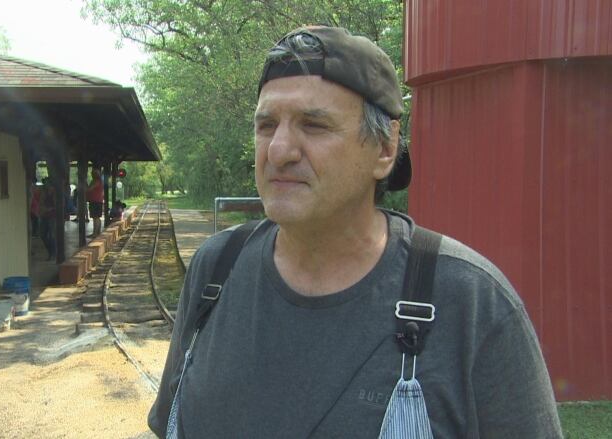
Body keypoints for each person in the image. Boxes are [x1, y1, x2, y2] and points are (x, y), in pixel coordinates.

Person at [149, 26, 562, 438]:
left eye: (314, 125)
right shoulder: (216, 271)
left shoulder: (472, 303)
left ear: (384, 149)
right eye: (266, 125)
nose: (278, 150)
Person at [38, 177, 56, 260]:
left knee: (52, 236)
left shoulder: (55, 194)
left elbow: (58, 206)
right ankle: (51, 252)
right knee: (43, 235)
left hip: (53, 217)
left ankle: (53, 254)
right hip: (44, 216)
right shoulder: (44, 193)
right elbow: (41, 203)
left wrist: (48, 209)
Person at [86, 169, 104, 236]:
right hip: (98, 201)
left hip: (95, 201)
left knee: (95, 217)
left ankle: (95, 233)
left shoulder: (96, 181)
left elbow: (89, 189)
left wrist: (86, 185)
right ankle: (97, 232)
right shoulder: (99, 181)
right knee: (97, 217)